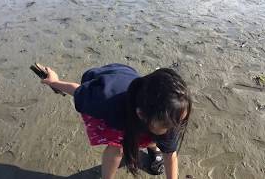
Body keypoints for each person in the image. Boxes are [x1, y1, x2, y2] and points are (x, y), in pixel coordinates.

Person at [41, 63, 192, 179]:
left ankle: (153, 147)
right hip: (104, 83)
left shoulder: (171, 114)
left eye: (180, 120)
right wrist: (54, 82)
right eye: (168, 124)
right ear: (141, 115)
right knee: (117, 146)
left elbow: (170, 154)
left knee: (159, 136)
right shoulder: (103, 100)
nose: (175, 127)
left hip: (139, 94)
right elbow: (77, 90)